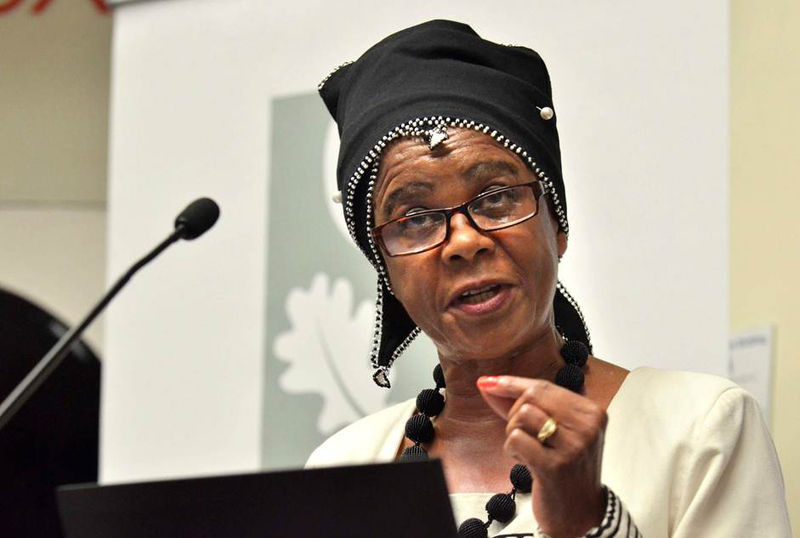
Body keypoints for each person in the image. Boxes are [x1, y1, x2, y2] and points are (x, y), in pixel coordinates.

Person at [306, 20, 791, 538]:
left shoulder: (699, 429)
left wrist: (590, 523)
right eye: (415, 218)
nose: (465, 241)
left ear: (556, 225)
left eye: (495, 198)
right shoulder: (343, 469)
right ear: (386, 267)